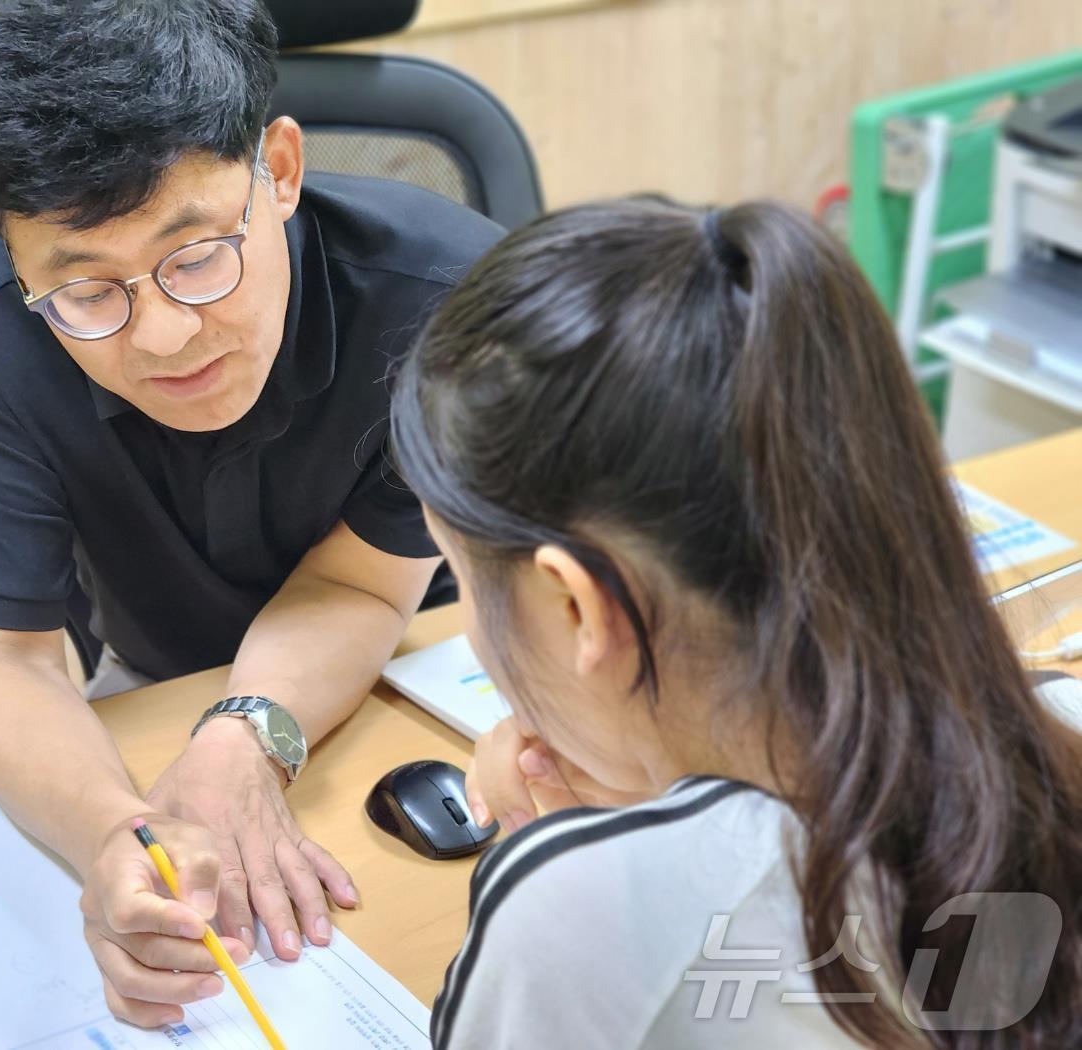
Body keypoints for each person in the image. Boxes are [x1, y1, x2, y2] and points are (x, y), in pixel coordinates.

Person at [0, 0, 500, 1028]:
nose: (168, 337)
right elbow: (9, 658)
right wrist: (119, 845)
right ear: (10, 258)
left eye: (195, 255)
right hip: (150, 692)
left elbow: (362, 582)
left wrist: (239, 742)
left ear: (277, 168)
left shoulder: (440, 292)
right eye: (86, 291)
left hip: (409, 671)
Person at [390, 195, 1082, 1047]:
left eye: (461, 582)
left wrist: (561, 861)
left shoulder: (584, 918)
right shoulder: (1052, 742)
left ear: (577, 607)